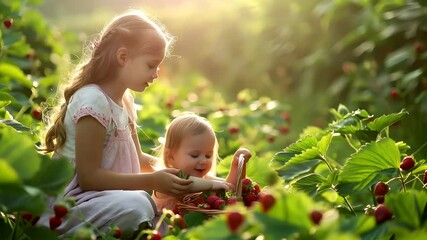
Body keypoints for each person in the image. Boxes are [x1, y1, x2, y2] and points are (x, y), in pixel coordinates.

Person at [39, 10, 194, 239]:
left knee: (148, 205)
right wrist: (153, 180)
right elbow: (89, 178)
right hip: (72, 207)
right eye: (151, 65)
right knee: (138, 204)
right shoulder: (93, 100)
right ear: (123, 57)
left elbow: (140, 160)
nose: (157, 74)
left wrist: (184, 173)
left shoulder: (125, 101)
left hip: (106, 201)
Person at [152, 113, 252, 212]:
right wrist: (211, 185)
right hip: (166, 226)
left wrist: (236, 164)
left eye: (208, 156)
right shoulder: (166, 179)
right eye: (194, 155)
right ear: (170, 157)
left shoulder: (206, 179)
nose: (204, 161)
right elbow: (187, 184)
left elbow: (230, 188)